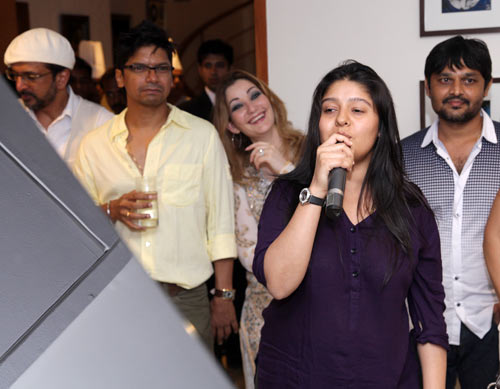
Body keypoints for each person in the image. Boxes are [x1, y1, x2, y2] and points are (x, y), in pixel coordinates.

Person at [253, 61, 448, 388]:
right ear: (319, 125)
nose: (341, 119)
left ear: (381, 126)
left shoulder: (412, 211)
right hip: (295, 378)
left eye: (357, 110)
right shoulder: (288, 196)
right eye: (330, 109)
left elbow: (430, 325)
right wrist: (316, 189)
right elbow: (279, 283)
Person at [73, 20, 238, 350]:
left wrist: (223, 296)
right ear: (120, 76)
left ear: (171, 76)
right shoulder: (93, 145)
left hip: (186, 298)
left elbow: (221, 222)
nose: (152, 77)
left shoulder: (201, 136)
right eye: (140, 67)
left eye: (161, 68)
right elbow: (75, 222)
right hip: (118, 300)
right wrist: (111, 210)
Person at [402, 36, 500, 389]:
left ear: (487, 86)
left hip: (490, 324)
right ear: (428, 87)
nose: (456, 89)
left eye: (469, 80)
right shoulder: (403, 158)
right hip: (421, 323)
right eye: (445, 79)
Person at [213, 69, 304, 389]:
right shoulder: (235, 179)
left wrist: (287, 172)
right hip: (266, 313)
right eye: (237, 106)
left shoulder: (315, 152)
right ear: (231, 125)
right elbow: (251, 254)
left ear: (270, 99)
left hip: (323, 303)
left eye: (255, 95)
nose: (251, 107)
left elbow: (341, 220)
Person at [4, 28, 112, 168]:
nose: (20, 86)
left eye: (31, 77)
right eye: (15, 76)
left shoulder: (101, 123)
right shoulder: (7, 118)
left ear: (61, 78)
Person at [179, 39, 233, 120]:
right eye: (208, 66)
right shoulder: (186, 111)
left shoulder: (241, 105)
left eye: (220, 65)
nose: (213, 72)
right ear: (200, 70)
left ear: (230, 69)